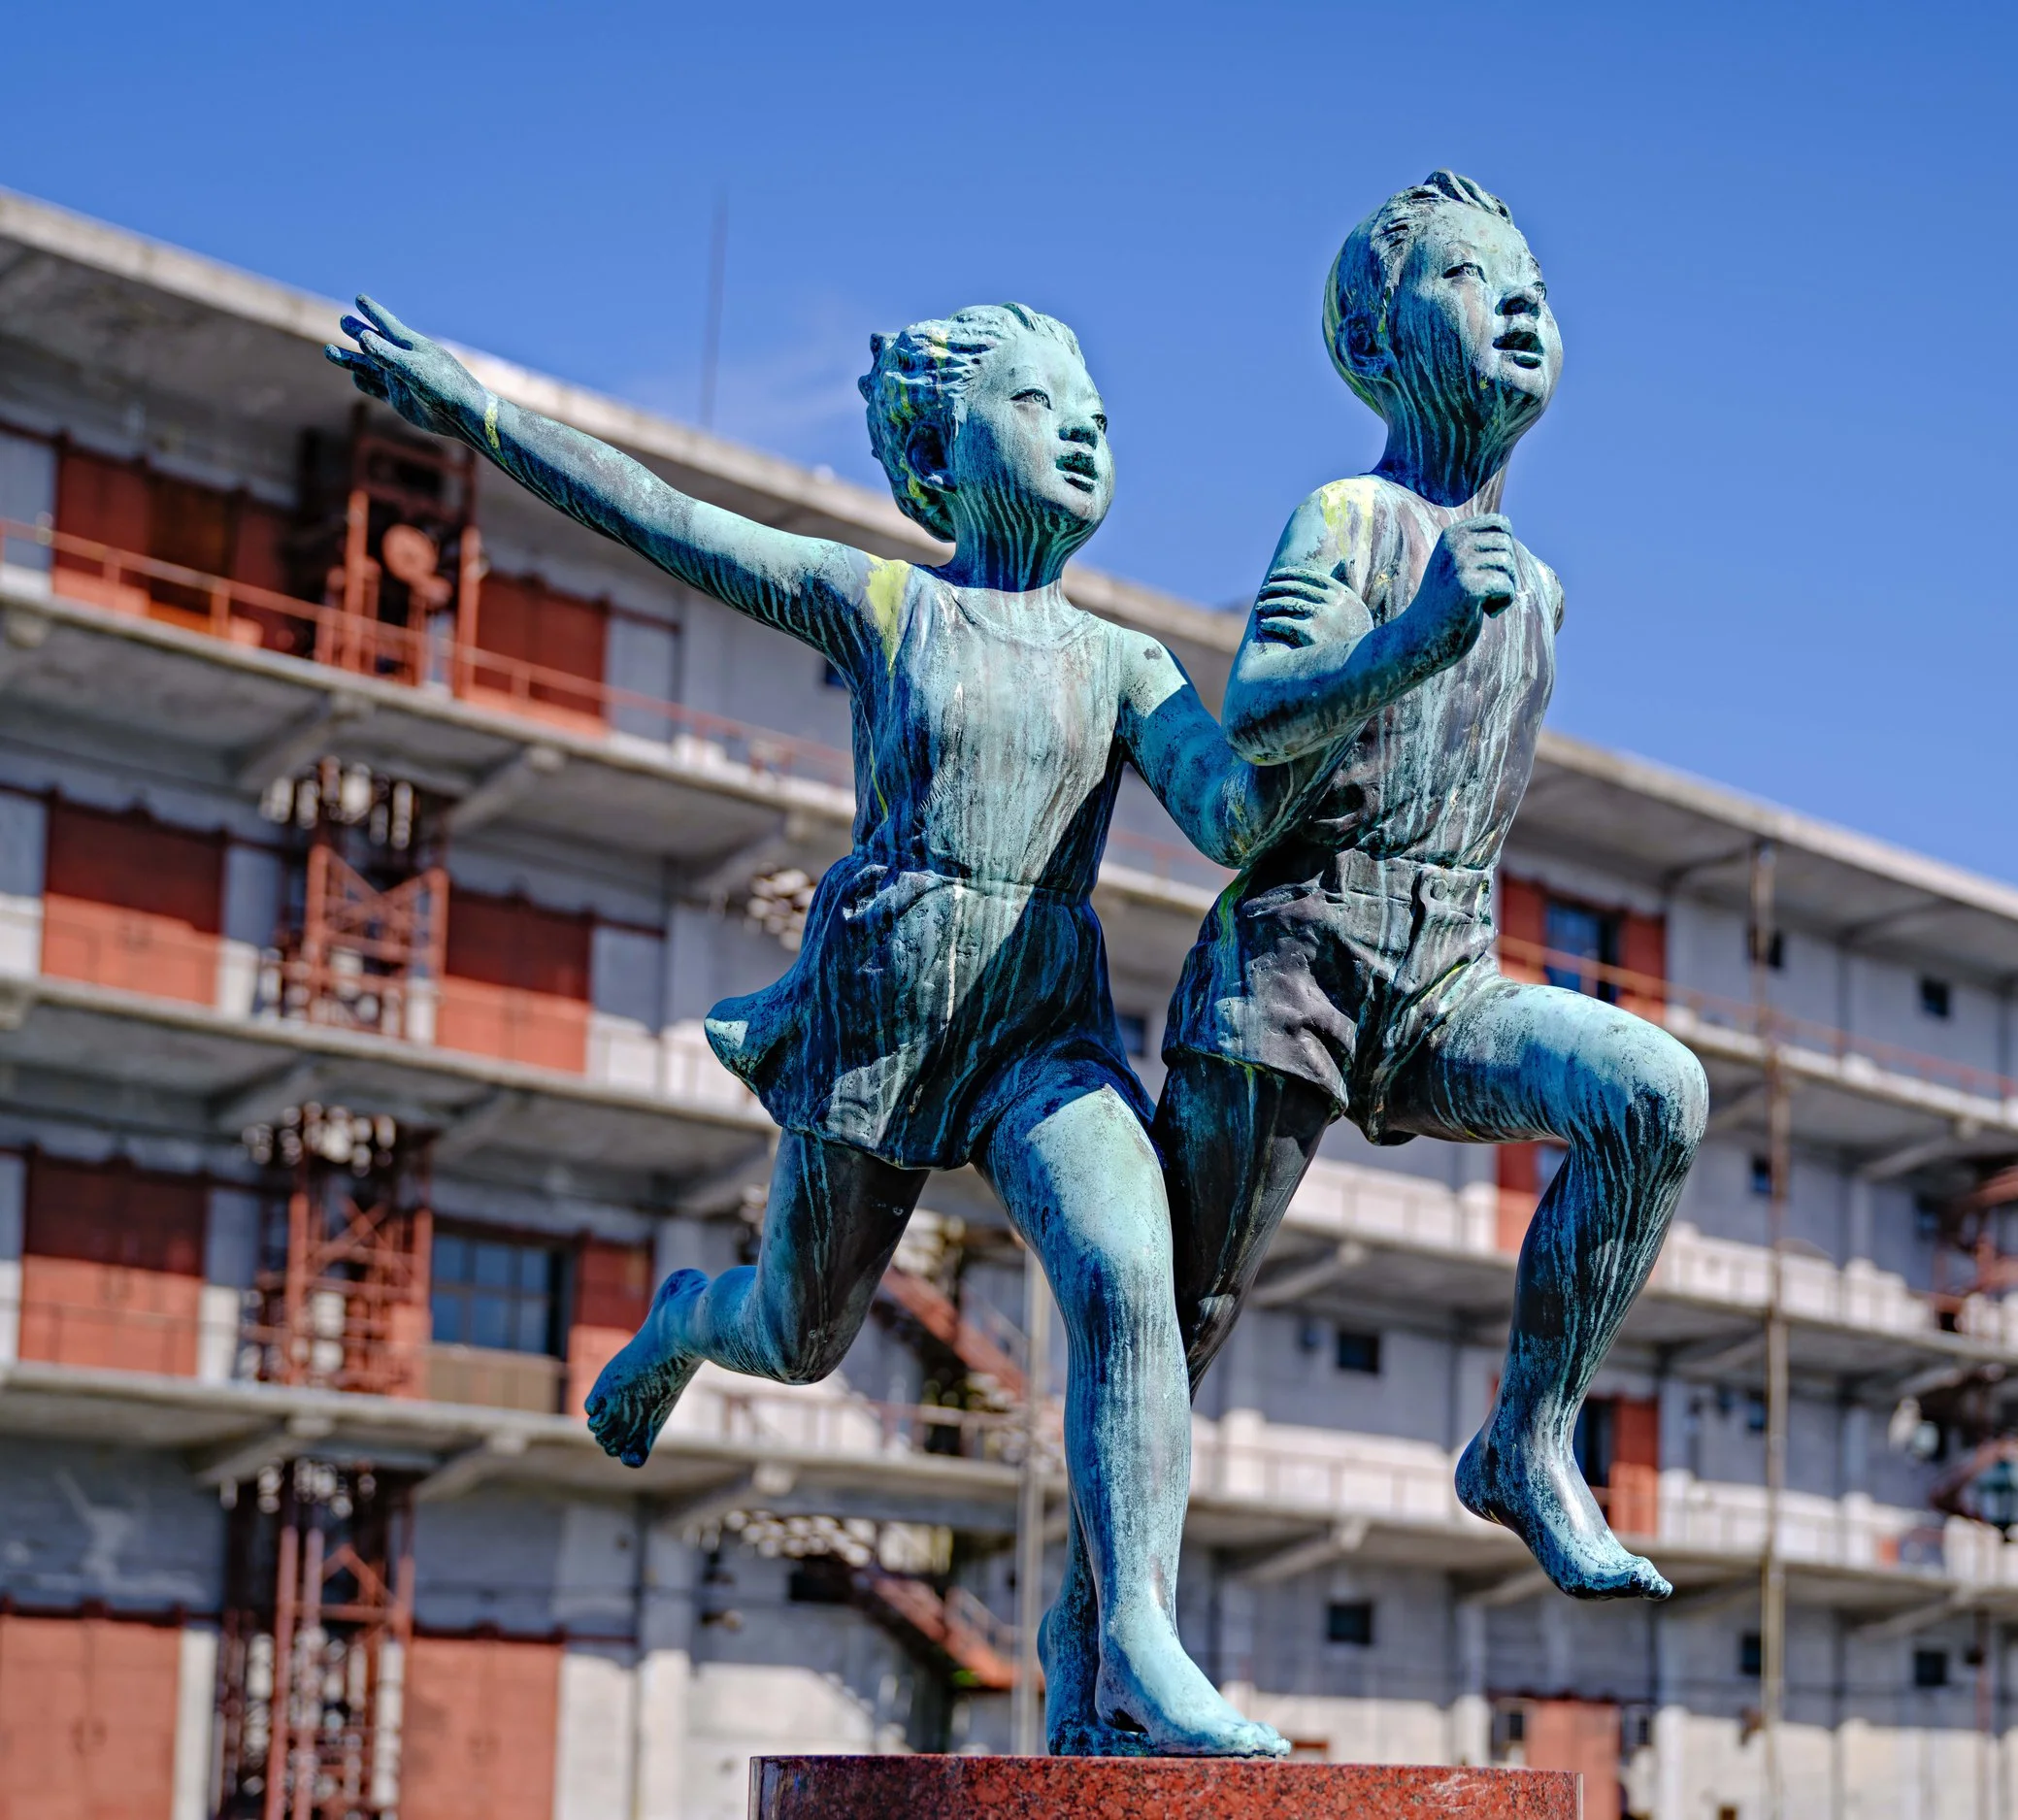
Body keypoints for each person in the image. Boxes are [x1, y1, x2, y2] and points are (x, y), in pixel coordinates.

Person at [325, 295, 1482, 1756]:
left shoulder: (1127, 663)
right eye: (1041, 403)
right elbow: (675, 523)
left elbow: (1240, 814)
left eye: (1097, 415)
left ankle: (1138, 1642)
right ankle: (689, 1322)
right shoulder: (889, 604)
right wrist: (482, 413)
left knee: (1134, 1283)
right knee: (798, 1335)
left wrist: (1402, 656)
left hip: (1043, 1031)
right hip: (884, 1008)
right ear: (938, 452)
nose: (1084, 428)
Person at [1159, 171, 1709, 1605]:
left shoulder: (1542, 588)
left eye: (1529, 282)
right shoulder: (1348, 516)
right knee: (1180, 1318)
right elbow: (1265, 704)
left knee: (1652, 1091)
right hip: (1289, 965)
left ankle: (1527, 1440)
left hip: (1444, 975)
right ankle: (1102, 1631)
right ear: (1377, 338)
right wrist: (1409, 635)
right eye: (1469, 280)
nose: (1520, 301)